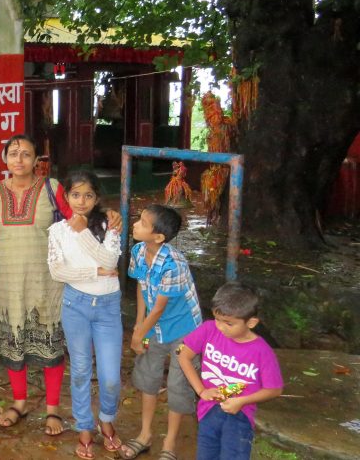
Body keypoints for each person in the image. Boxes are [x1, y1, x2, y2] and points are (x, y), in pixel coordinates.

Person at [0, 134, 70, 434]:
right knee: (13, 343)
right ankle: (19, 402)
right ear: (5, 159)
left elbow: (77, 222)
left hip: (45, 282)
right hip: (7, 282)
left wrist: (106, 219)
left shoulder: (52, 188)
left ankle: (53, 409)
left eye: (26, 154)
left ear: (37, 160)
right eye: (13, 153)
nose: (19, 159)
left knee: (49, 343)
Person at [46, 171, 123, 459]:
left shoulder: (109, 223)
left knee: (110, 374)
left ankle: (106, 418)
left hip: (107, 306)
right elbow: (58, 271)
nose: (81, 201)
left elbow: (110, 260)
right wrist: (94, 272)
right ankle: (85, 428)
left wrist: (83, 232)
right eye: (75, 195)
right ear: (66, 197)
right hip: (75, 304)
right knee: (79, 371)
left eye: (88, 195)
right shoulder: (57, 231)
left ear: (97, 198)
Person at [120, 204, 203, 460]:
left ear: (158, 237)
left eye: (142, 223)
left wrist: (137, 335)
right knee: (148, 376)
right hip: (153, 327)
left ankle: (169, 444)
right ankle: (145, 435)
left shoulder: (173, 263)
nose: (135, 224)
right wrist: (138, 324)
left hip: (184, 331)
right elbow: (142, 289)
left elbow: (159, 308)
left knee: (179, 386)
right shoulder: (138, 250)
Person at [178, 282, 284, 460]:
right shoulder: (209, 329)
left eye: (229, 323)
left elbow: (274, 389)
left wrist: (242, 401)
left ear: (251, 322)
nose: (220, 326)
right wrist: (201, 390)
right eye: (217, 319)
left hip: (239, 416)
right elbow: (184, 356)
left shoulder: (262, 351)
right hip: (207, 411)